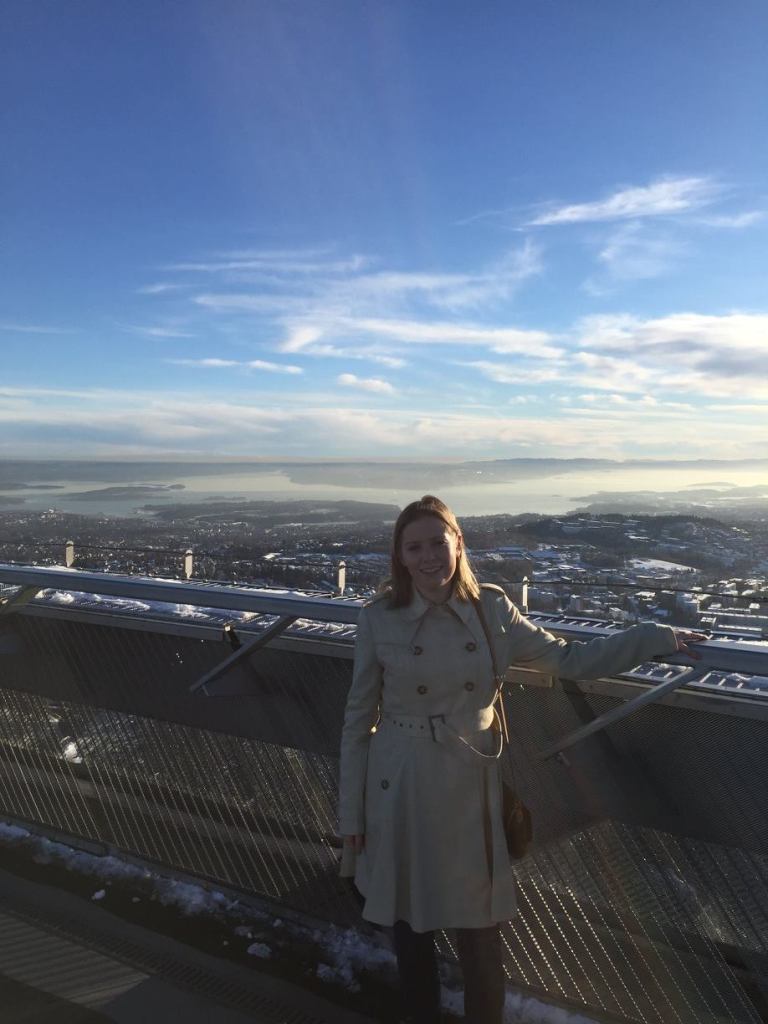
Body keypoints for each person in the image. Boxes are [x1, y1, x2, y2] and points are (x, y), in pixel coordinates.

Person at [338, 495, 705, 1024]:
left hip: (469, 789)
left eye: (436, 543)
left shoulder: (492, 609)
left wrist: (655, 636)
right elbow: (356, 723)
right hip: (401, 788)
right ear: (399, 555)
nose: (426, 557)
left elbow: (568, 659)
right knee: (412, 936)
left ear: (457, 544)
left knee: (482, 942)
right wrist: (351, 816)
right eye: (412, 547)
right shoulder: (378, 618)